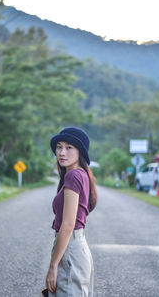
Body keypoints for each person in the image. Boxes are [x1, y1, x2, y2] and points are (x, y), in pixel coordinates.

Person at [45, 127, 97, 296]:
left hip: (70, 249)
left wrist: (53, 266)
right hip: (77, 247)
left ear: (80, 151)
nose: (62, 152)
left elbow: (67, 225)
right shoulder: (81, 174)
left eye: (69, 148)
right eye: (59, 147)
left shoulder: (73, 176)